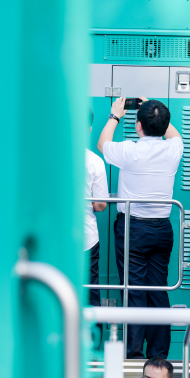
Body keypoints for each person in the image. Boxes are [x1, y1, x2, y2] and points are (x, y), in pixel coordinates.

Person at [98, 97, 182, 359]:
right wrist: (154, 109)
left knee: (134, 289)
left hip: (133, 230)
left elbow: (102, 144)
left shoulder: (129, 151)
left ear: (138, 126)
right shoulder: (174, 149)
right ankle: (158, 355)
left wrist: (115, 116)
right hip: (162, 230)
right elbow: (174, 134)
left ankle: (134, 354)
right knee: (158, 290)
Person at [86, 110, 108, 307]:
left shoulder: (45, 159)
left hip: (53, 236)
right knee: (90, 292)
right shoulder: (95, 161)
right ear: (89, 129)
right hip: (87, 237)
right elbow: (100, 205)